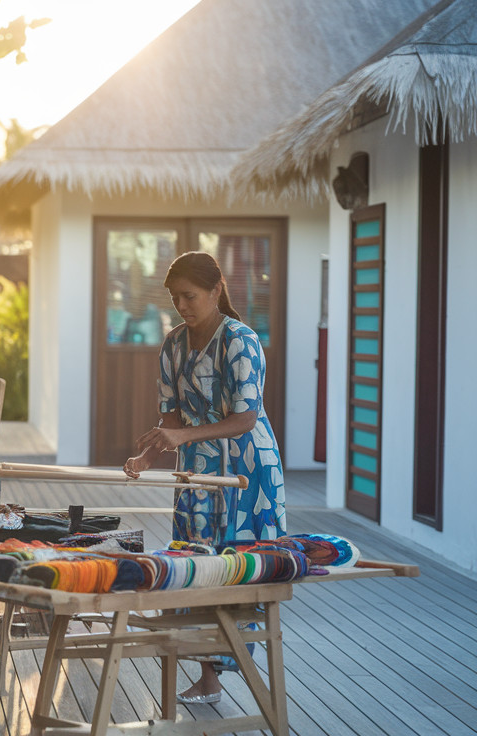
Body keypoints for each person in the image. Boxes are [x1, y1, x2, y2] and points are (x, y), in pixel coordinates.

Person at [123, 251, 286, 704]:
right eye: (175, 298)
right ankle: (210, 680)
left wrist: (182, 436)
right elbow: (171, 419)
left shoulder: (241, 340)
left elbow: (246, 418)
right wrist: (147, 456)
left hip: (247, 474)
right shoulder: (173, 345)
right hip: (196, 472)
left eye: (190, 296)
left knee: (239, 569)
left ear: (216, 291)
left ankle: (246, 676)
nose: (182, 305)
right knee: (193, 565)